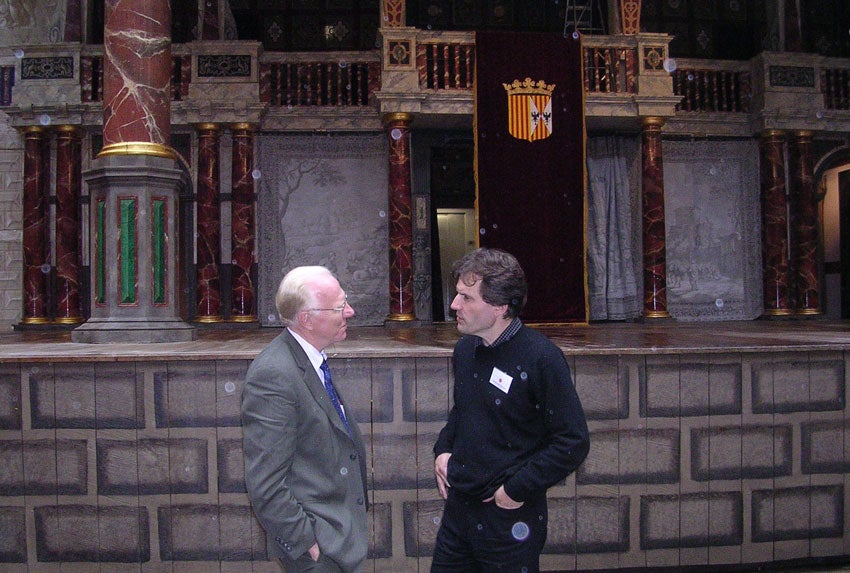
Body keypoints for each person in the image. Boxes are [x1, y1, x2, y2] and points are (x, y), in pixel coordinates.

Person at [432, 248, 590, 572]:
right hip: (459, 513)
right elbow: (462, 414)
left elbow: (572, 441)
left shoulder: (541, 358)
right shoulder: (465, 350)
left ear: (500, 306)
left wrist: (514, 490)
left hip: (508, 520)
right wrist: (443, 450)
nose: (454, 306)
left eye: (466, 298)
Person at [242, 266, 368, 572]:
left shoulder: (310, 360)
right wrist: (306, 543)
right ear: (307, 319)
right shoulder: (275, 374)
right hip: (317, 553)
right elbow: (265, 483)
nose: (349, 312)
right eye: (339, 307)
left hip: (337, 540)